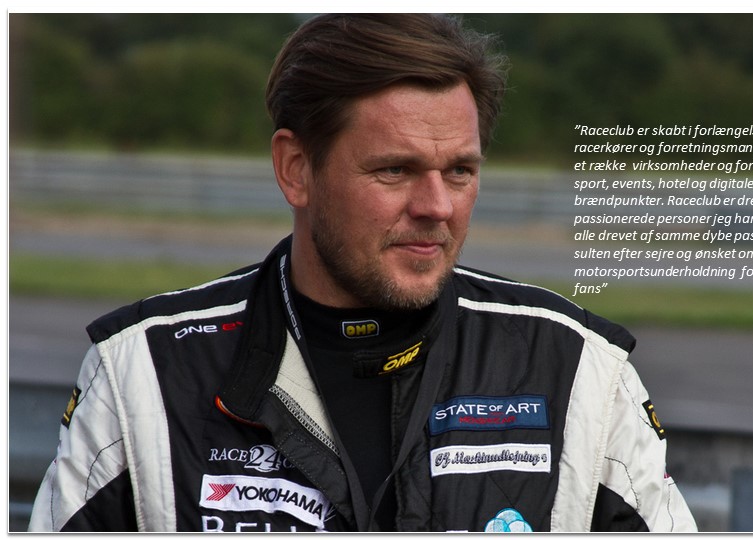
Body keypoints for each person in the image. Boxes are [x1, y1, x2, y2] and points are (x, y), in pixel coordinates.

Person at [29, 14, 696, 532]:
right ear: (296, 169)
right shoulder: (143, 372)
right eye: (394, 170)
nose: (437, 207)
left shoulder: (578, 370)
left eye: (460, 171)